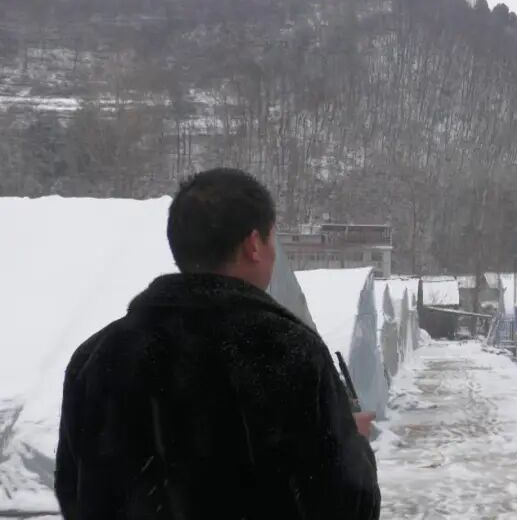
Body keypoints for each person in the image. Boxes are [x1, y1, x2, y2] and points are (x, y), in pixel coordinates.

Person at [54, 168, 381, 519]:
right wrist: (354, 445)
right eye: (272, 239)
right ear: (253, 245)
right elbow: (348, 505)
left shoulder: (97, 356)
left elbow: (74, 492)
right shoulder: (290, 352)